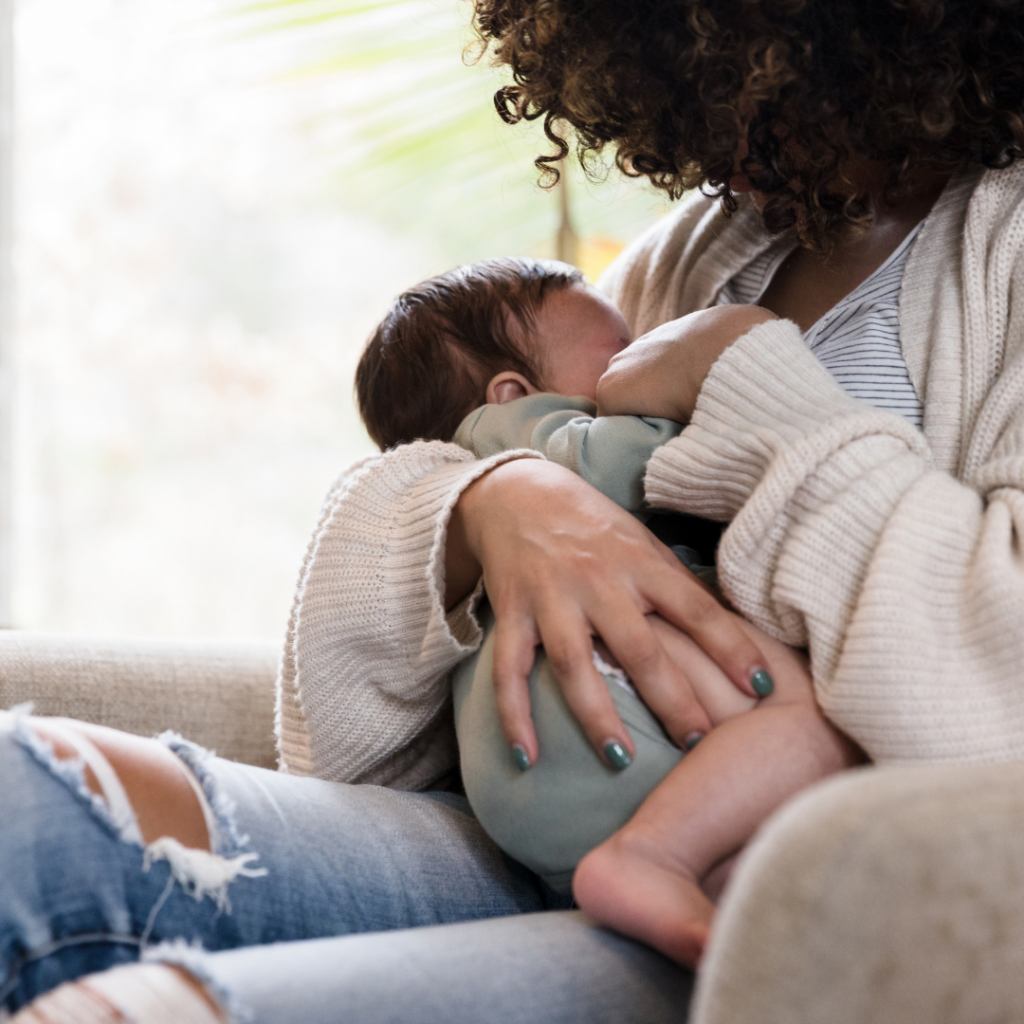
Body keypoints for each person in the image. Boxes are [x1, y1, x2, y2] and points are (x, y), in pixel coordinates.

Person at [8, 0, 1024, 1020]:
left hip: (795, 896)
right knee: (24, 803)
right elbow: (350, 733)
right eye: (703, 107)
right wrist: (493, 502)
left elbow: (993, 697)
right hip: (528, 842)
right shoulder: (706, 249)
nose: (719, 156)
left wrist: (745, 386)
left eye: (760, 98)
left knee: (147, 1007)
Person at [353, 255, 860, 963]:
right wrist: (713, 373)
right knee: (817, 719)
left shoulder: (482, 468)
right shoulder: (531, 438)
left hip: (525, 779)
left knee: (744, 900)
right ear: (513, 392)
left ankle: (667, 878)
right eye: (621, 353)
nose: (639, 360)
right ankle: (650, 856)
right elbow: (652, 459)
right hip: (594, 720)